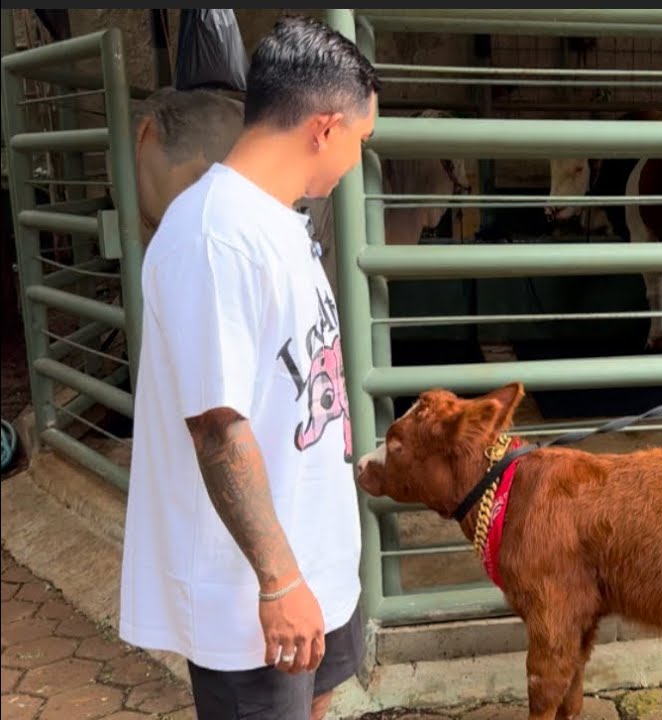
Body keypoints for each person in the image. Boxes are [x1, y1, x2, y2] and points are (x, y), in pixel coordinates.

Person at [118, 15, 380, 719]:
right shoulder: (215, 238)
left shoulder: (278, 222)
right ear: (324, 128)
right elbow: (218, 427)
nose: (357, 160)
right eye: (361, 140)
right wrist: (278, 582)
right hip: (252, 594)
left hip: (314, 561)